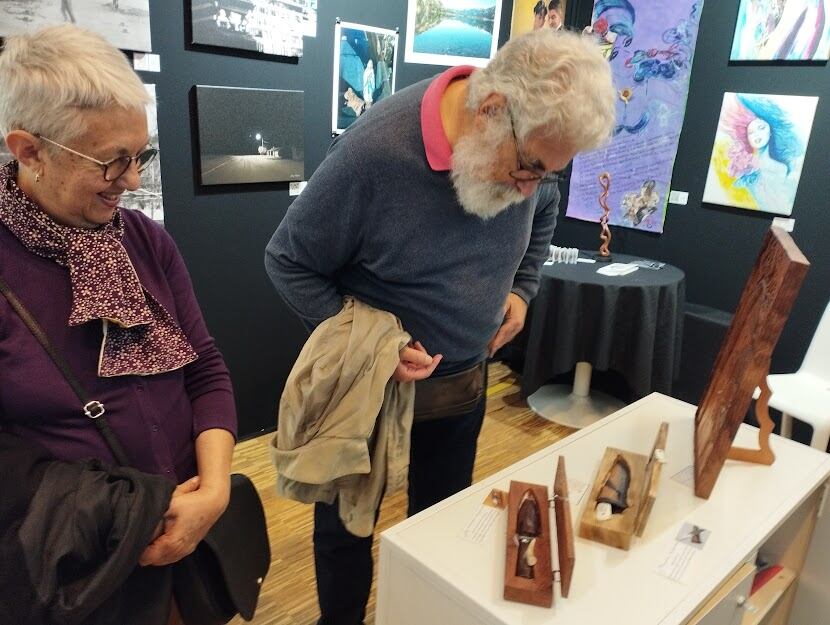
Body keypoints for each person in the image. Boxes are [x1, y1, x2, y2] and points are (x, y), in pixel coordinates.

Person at [265, 28, 615, 625]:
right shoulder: (376, 152)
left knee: (440, 525)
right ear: (491, 109)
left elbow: (545, 206)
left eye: (547, 173)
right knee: (348, 527)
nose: (529, 187)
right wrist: (375, 348)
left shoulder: (533, 150)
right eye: (528, 167)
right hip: (366, 393)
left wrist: (521, 288)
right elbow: (287, 261)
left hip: (461, 384)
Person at [0, 25, 237, 624]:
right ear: (28, 149)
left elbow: (204, 368)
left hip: (186, 535)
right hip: (76, 568)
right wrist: (125, 515)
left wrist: (213, 492)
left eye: (140, 155)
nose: (133, 181)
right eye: (111, 162)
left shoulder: (144, 240)